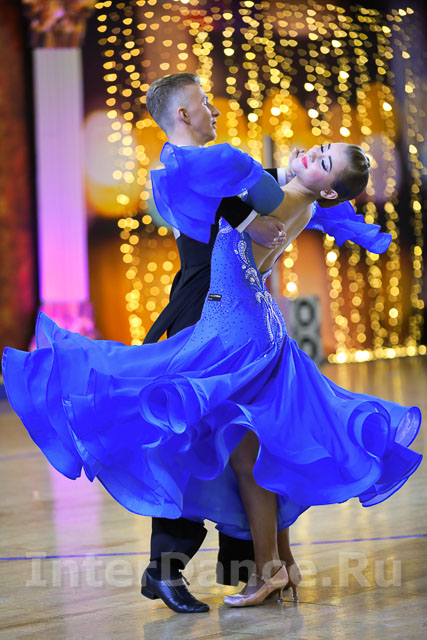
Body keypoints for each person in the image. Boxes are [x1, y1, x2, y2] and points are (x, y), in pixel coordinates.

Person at [2, 98, 421, 611]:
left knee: (200, 429)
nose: (313, 153)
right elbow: (243, 207)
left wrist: (225, 182)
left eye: (324, 160)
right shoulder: (291, 198)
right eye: (321, 148)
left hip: (233, 331)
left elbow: (224, 207)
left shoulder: (275, 198)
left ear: (329, 189)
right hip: (243, 323)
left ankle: (252, 568)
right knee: (249, 451)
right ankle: (274, 565)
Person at [140, 73, 293, 614]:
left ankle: (246, 565)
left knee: (237, 437)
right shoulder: (189, 166)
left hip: (227, 307)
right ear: (183, 114)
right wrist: (257, 213)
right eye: (204, 103)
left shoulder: (189, 168)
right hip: (204, 310)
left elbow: (229, 203)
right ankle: (166, 567)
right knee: (194, 439)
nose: (215, 111)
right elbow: (252, 199)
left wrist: (252, 216)